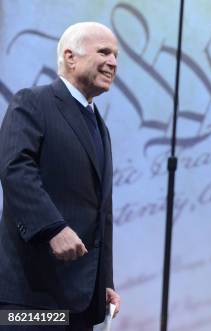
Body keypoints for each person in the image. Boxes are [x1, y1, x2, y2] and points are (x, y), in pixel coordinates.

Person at [0, 22, 121, 330]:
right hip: (31, 297)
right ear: (70, 57)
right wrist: (52, 228)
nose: (113, 63)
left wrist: (104, 282)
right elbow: (15, 169)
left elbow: (100, 211)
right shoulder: (33, 102)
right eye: (104, 52)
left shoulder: (100, 128)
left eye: (116, 55)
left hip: (82, 303)